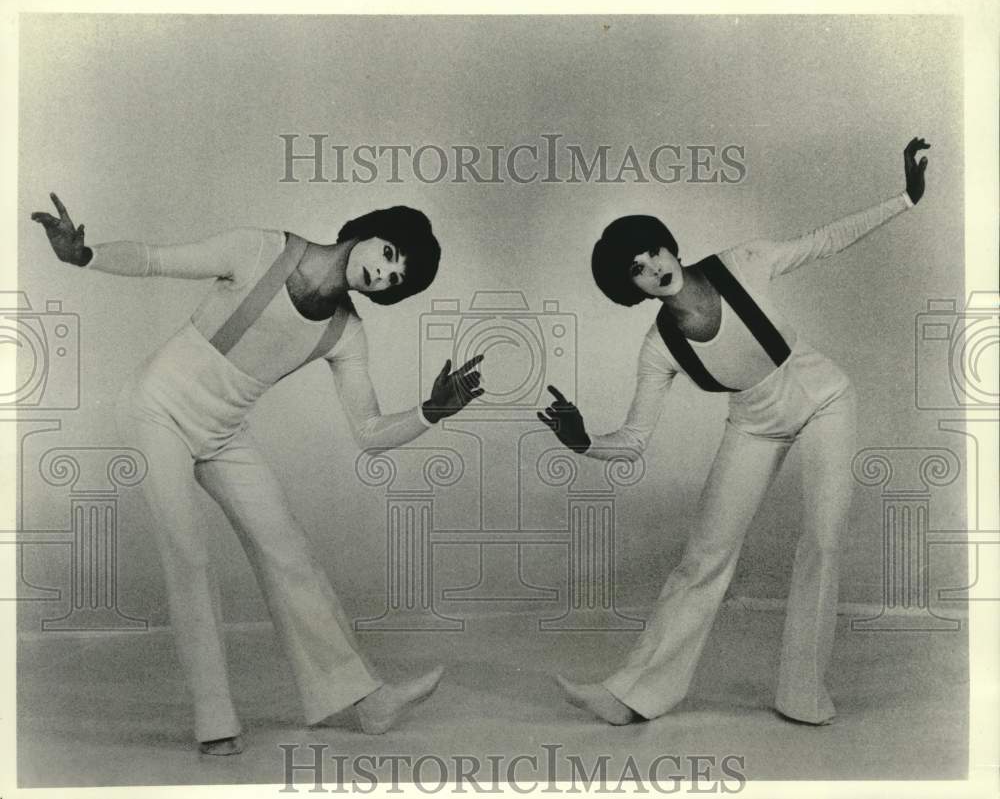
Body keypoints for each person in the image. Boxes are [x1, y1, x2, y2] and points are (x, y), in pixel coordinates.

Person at [32, 196, 484, 754]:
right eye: (389, 253)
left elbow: (368, 431)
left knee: (288, 550)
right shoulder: (260, 249)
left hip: (223, 433)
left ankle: (365, 701)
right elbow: (156, 258)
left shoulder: (346, 333)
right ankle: (215, 721)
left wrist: (431, 411)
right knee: (189, 553)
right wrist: (85, 255)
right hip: (156, 407)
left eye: (394, 279)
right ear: (366, 231)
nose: (383, 273)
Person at [539, 137, 930, 727]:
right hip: (754, 424)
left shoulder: (743, 262)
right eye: (637, 272)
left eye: (652, 253)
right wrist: (585, 441)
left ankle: (801, 692)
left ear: (669, 243)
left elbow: (825, 240)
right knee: (704, 555)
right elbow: (636, 438)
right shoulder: (659, 347)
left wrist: (905, 198)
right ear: (632, 290)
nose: (653, 270)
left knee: (822, 539)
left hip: (825, 399)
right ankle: (634, 695)